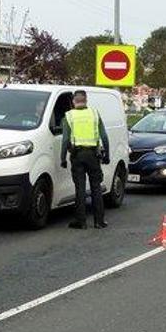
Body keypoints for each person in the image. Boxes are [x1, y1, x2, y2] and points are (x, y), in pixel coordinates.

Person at [61, 90, 110, 229]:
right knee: (96, 188)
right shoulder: (94, 114)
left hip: (77, 156)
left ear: (73, 101)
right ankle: (99, 221)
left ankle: (81, 221)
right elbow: (104, 137)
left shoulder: (69, 116)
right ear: (86, 100)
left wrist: (62, 158)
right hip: (94, 155)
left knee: (80, 189)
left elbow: (65, 140)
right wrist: (107, 155)